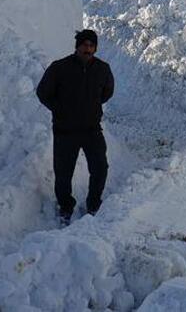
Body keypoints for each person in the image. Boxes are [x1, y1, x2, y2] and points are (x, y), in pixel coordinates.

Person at [35, 29, 115, 226]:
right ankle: (65, 207)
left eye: (91, 45)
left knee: (100, 168)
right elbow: (43, 92)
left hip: (92, 130)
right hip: (65, 130)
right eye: (84, 44)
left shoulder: (103, 69)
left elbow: (107, 93)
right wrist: (60, 110)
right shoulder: (59, 68)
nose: (87, 48)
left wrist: (92, 107)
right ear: (77, 46)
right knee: (63, 173)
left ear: (95, 48)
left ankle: (94, 204)